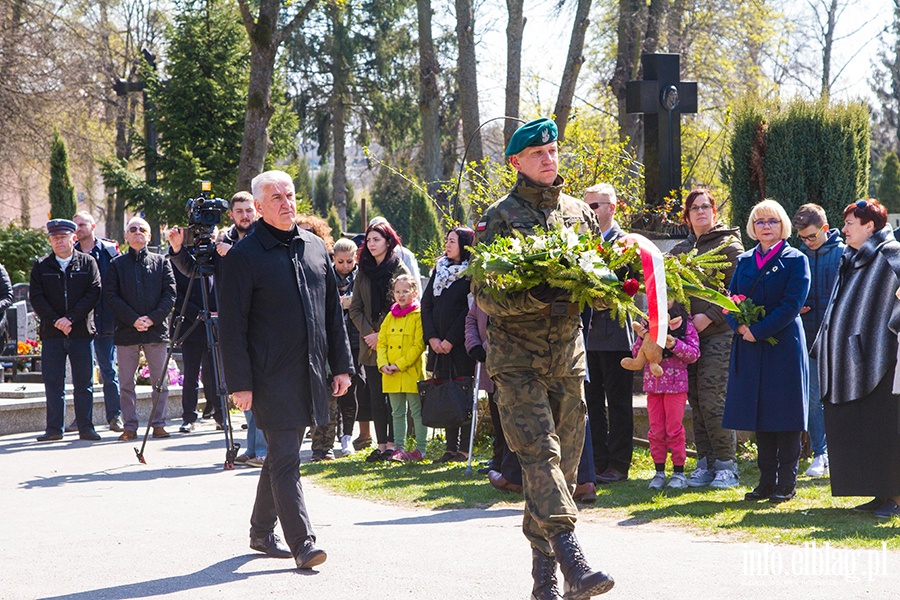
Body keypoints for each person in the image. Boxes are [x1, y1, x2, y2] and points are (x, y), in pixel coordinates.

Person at [474, 117, 613, 599]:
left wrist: (609, 287)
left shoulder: (580, 212)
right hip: (518, 363)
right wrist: (536, 295)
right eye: (538, 154)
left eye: (553, 150)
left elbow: (597, 280)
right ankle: (572, 558)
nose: (549, 159)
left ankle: (543, 579)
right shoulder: (499, 217)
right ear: (516, 162)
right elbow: (486, 296)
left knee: (562, 472)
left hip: (568, 361)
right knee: (540, 456)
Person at [218, 170, 354, 569]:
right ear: (258, 207)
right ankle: (303, 543)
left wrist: (342, 366)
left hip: (309, 372)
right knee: (286, 458)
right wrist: (240, 384)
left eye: (289, 194)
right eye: (275, 197)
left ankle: (260, 531)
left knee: (282, 454)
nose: (285, 202)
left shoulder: (314, 247)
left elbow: (332, 314)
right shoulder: (244, 257)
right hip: (267, 376)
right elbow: (231, 326)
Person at [813, 198, 900, 518]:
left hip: (881, 360)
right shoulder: (851, 257)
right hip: (848, 363)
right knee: (862, 429)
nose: (844, 228)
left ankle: (896, 496)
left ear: (870, 226)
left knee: (885, 428)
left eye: (851, 223)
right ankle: (879, 492)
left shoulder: (891, 254)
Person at [724, 199, 810, 504]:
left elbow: (791, 305)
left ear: (783, 224)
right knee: (761, 414)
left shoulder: (796, 260)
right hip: (750, 347)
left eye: (771, 221)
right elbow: (730, 299)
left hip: (783, 346)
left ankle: (786, 482)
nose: (765, 227)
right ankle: (765, 481)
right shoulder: (745, 261)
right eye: (759, 222)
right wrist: (738, 325)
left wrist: (757, 330)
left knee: (784, 415)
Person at [670, 189, 744, 489]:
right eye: (694, 208)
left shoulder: (730, 246)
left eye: (706, 207)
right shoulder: (678, 252)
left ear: (714, 212)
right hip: (688, 340)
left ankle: (727, 466)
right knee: (697, 401)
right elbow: (671, 292)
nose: (701, 212)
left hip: (719, 335)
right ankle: (705, 463)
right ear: (687, 217)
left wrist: (710, 316)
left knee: (715, 400)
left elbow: (738, 289)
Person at [104, 217, 176, 441]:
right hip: (127, 331)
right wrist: (134, 319)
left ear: (149, 235)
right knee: (126, 383)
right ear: (126, 236)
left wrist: (152, 319)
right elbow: (111, 296)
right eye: (132, 229)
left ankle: (159, 424)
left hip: (155, 331)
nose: (137, 233)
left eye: (142, 229)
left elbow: (170, 294)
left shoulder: (162, 262)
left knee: (159, 382)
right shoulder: (117, 264)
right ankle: (130, 426)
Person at [30, 219, 102, 442]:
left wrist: (70, 318)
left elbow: (93, 292)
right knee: (53, 383)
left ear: (73, 238)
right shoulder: (42, 266)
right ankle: (54, 429)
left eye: (63, 237)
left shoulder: (88, 263)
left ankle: (85, 427)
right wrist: (56, 320)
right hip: (52, 334)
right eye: (54, 238)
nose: (59, 241)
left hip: (80, 331)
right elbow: (37, 298)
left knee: (84, 383)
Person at [582, 183, 635, 484]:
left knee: (617, 402)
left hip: (615, 332)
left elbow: (630, 286)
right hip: (587, 336)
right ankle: (597, 461)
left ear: (612, 207)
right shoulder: (581, 242)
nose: (590, 212)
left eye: (595, 206)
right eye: (587, 206)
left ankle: (619, 464)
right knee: (591, 402)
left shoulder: (626, 242)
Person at [349, 221, 410, 462]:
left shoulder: (399, 269)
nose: (371, 244)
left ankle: (395, 445)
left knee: (393, 396)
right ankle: (381, 444)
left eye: (376, 239)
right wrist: (369, 334)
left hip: (394, 341)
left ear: (388, 241)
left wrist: (380, 334)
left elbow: (403, 305)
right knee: (375, 394)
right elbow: (355, 309)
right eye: (369, 240)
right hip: (370, 343)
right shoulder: (362, 271)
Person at [792, 203, 843, 478]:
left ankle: (842, 452)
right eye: (802, 238)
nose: (807, 242)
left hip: (838, 340)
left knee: (840, 398)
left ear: (825, 228)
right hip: (808, 340)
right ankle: (820, 453)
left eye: (812, 236)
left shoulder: (844, 253)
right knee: (812, 399)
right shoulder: (798, 256)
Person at [421, 226, 476, 463]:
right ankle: (449, 447)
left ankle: (463, 448)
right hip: (438, 346)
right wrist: (432, 338)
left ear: (464, 245)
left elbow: (467, 310)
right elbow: (426, 304)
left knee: (462, 393)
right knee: (445, 392)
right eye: (447, 240)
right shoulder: (439, 270)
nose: (447, 245)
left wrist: (450, 340)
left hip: (460, 346)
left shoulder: (471, 273)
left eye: (453, 241)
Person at [634, 302, 700, 489]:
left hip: (676, 386)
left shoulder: (686, 324)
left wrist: (674, 344)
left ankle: (679, 472)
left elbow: (694, 353)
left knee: (674, 429)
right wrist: (641, 339)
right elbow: (636, 354)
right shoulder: (647, 324)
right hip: (653, 387)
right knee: (656, 430)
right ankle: (659, 471)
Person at [73, 212, 123, 432]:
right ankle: (83, 420)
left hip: (105, 321)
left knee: (108, 372)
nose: (78, 229)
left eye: (82, 225)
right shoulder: (69, 253)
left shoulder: (109, 252)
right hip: (80, 323)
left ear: (93, 226)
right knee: (82, 375)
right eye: (75, 226)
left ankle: (115, 417)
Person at [377, 274, 427, 461]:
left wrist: (400, 365)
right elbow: (381, 342)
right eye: (398, 291)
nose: (401, 295)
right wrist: (383, 364)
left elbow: (418, 345)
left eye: (405, 291)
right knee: (397, 412)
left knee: (417, 411)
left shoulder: (418, 315)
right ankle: (399, 448)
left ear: (414, 293)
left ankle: (421, 449)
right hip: (390, 373)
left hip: (410, 372)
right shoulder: (390, 316)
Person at [170, 263, 219, 433]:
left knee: (216, 375)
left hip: (214, 326)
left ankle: (220, 416)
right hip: (191, 326)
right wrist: (197, 313)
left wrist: (216, 313)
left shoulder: (215, 259)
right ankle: (189, 417)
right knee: (190, 375)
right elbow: (176, 294)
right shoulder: (181, 261)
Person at [332, 237, 365, 457]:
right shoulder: (326, 275)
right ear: (333, 258)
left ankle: (347, 437)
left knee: (351, 390)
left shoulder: (360, 277)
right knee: (330, 390)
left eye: (349, 262)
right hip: (332, 339)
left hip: (354, 339)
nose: (345, 266)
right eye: (341, 262)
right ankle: (328, 434)